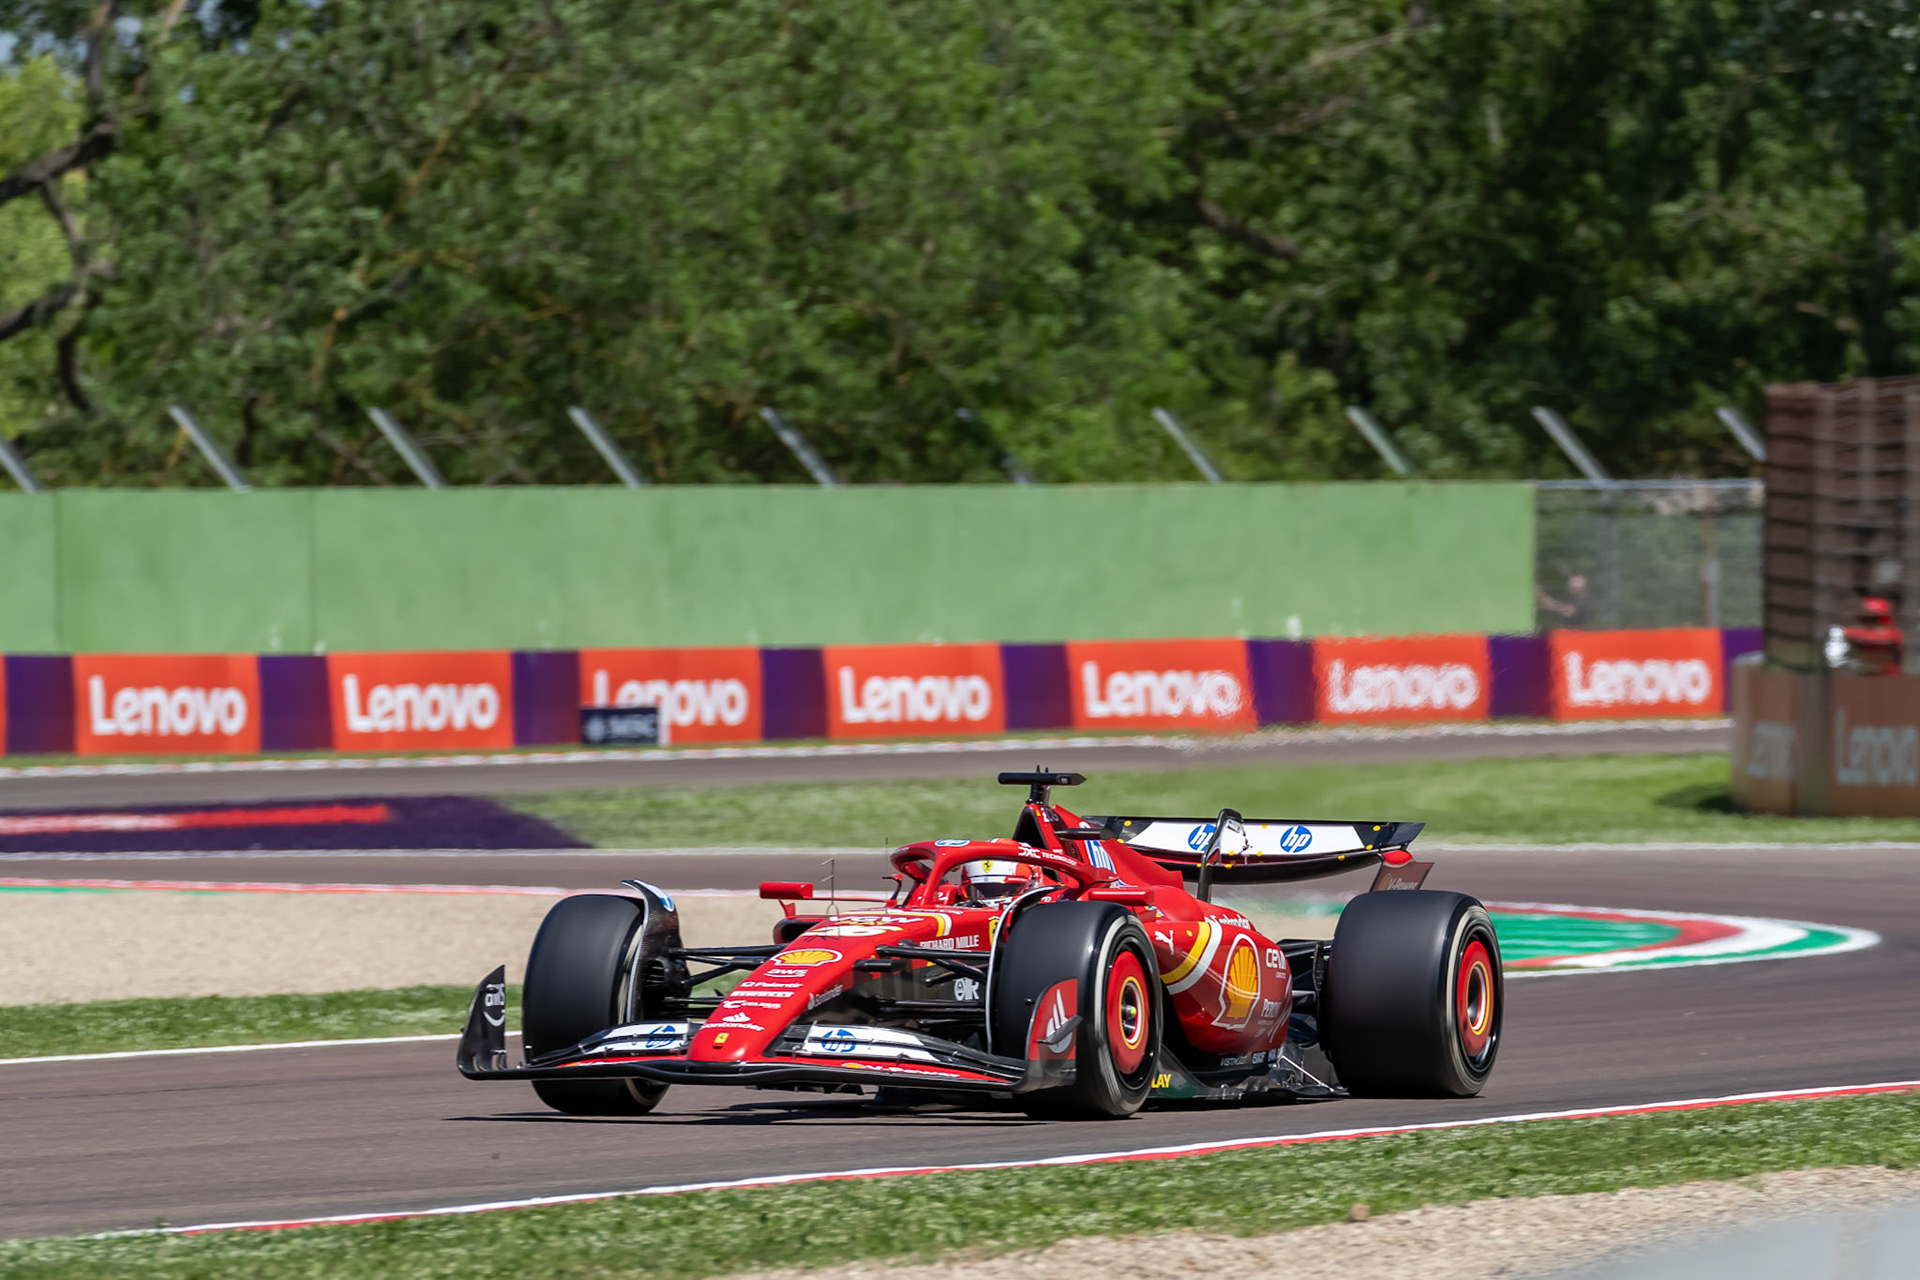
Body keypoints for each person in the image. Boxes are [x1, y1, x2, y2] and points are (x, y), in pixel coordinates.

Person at [1841, 596, 1904, 674]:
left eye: (1874, 619)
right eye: (1865, 619)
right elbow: (1848, 634)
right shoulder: (1853, 632)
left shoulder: (1893, 634)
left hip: (1888, 678)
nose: (1869, 623)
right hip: (1860, 677)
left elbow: (1884, 638)